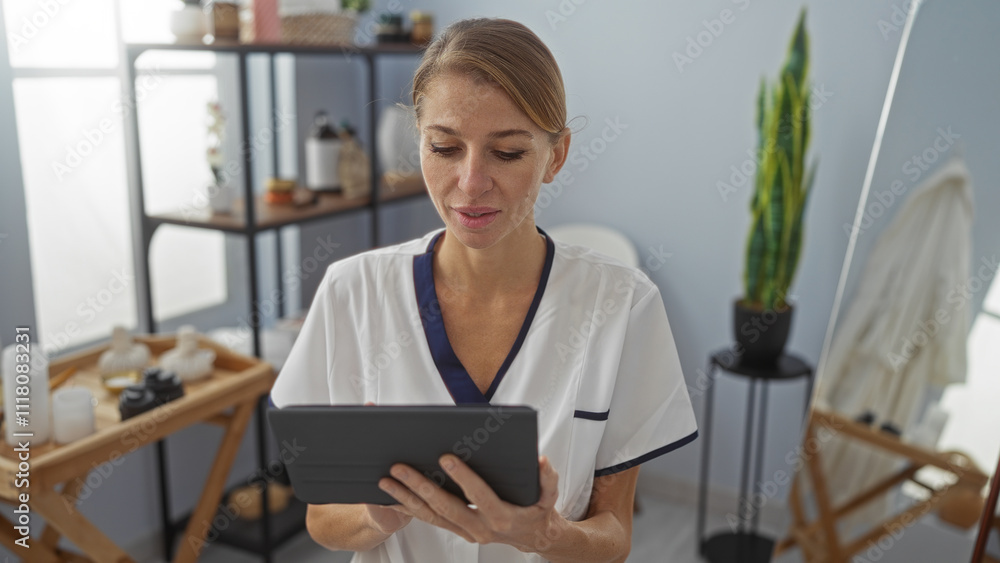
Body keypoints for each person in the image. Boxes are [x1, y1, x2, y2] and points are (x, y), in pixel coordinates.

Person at [270, 17, 697, 563]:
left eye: (508, 152)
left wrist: (545, 535)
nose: (471, 183)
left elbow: (613, 533)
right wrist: (376, 516)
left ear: (556, 156)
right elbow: (324, 519)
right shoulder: (351, 292)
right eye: (444, 148)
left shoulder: (623, 304)